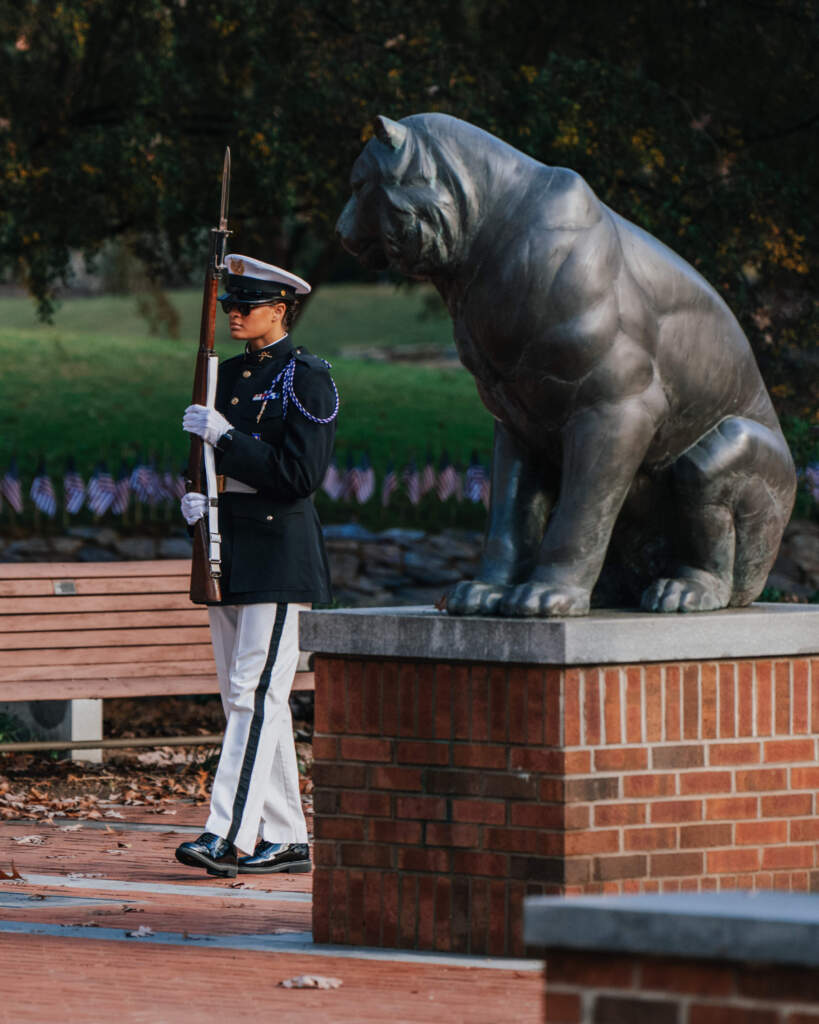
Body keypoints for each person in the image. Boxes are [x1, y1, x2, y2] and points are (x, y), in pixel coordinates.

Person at [175, 253, 338, 877]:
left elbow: (300, 476)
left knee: (254, 694)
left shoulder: (306, 378)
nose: (235, 314)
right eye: (230, 305)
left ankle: (227, 834)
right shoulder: (226, 377)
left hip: (278, 553)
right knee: (245, 698)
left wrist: (225, 439)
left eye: (247, 305)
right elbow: (204, 461)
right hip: (228, 549)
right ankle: (288, 836)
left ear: (281, 310)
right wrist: (196, 499)